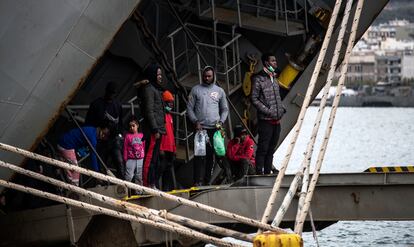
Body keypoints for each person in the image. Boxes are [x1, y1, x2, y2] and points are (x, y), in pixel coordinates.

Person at [187, 66, 229, 186]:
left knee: (211, 157)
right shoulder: (195, 90)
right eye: (205, 76)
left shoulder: (220, 91)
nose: (206, 78)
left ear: (213, 76)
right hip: (200, 130)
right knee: (199, 156)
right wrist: (196, 121)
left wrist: (221, 121)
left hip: (214, 130)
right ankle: (197, 181)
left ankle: (207, 181)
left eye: (209, 76)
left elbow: (225, 109)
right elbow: (189, 108)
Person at [251, 53, 286, 175]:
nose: (275, 63)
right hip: (265, 121)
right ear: (266, 63)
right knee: (263, 148)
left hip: (276, 121)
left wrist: (281, 109)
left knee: (271, 149)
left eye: (275, 60)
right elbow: (254, 99)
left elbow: (277, 98)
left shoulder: (274, 78)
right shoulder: (258, 79)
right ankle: (259, 173)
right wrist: (269, 111)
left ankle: (267, 172)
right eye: (273, 61)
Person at [85, 81, 124, 178]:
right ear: (106, 91)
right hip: (100, 140)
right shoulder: (96, 104)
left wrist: (117, 133)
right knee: (101, 164)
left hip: (113, 139)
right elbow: (88, 123)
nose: (111, 95)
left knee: (119, 162)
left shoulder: (117, 105)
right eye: (110, 92)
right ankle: (102, 184)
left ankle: (124, 186)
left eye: (113, 93)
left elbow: (120, 124)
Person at [140, 63, 166, 188]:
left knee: (155, 159)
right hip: (153, 130)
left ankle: (152, 183)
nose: (160, 77)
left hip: (159, 129)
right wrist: (155, 129)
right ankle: (147, 184)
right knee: (150, 158)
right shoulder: (149, 89)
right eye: (158, 74)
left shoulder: (155, 89)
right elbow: (149, 110)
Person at [158, 90, 177, 191]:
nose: (171, 105)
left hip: (170, 148)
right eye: (169, 103)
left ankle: (165, 189)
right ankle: (156, 185)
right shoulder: (161, 116)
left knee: (168, 169)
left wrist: (174, 149)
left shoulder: (169, 116)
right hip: (163, 148)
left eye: (172, 103)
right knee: (161, 168)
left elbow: (172, 134)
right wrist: (160, 148)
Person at [123, 117, 145, 184]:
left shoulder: (142, 135)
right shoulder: (128, 136)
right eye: (130, 126)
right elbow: (125, 147)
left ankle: (139, 192)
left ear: (137, 125)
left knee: (139, 176)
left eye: (133, 126)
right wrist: (125, 158)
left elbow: (144, 146)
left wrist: (144, 156)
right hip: (131, 159)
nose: (132, 128)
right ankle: (126, 192)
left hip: (140, 159)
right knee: (128, 176)